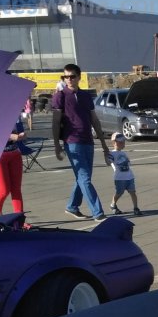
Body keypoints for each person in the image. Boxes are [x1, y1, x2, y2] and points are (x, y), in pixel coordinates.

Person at [50, 63, 111, 221]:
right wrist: (57, 145)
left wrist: (104, 145)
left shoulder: (85, 96)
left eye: (72, 76)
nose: (68, 79)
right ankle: (98, 212)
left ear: (79, 77)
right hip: (72, 142)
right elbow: (56, 122)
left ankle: (72, 206)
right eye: (65, 77)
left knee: (82, 178)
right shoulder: (60, 96)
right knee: (85, 178)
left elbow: (94, 120)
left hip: (88, 141)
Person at [0, 119, 27, 217]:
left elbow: (20, 131)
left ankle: (19, 217)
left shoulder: (15, 114)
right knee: (4, 190)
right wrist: (9, 136)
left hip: (15, 153)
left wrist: (22, 135)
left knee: (16, 189)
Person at [107, 132, 141, 216]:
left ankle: (136, 208)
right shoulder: (112, 154)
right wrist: (106, 154)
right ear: (114, 143)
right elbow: (108, 162)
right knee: (119, 193)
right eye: (120, 142)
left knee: (133, 192)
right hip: (119, 178)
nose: (123, 144)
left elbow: (128, 163)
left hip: (129, 177)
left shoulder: (123, 153)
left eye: (123, 142)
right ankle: (113, 204)